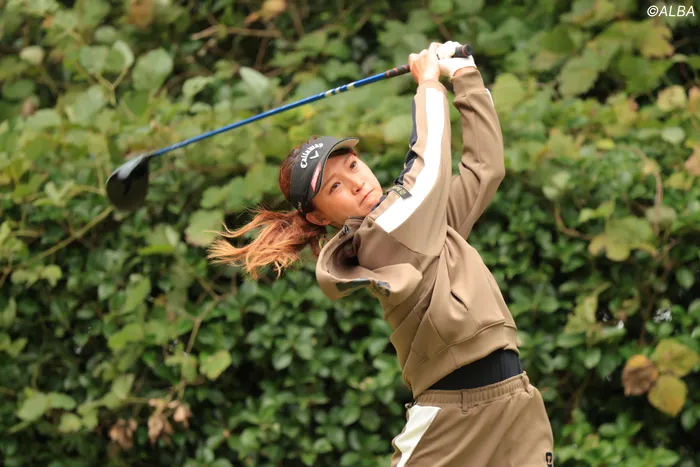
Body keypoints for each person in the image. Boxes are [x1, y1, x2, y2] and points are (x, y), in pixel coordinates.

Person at [208, 41, 554, 467]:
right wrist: (429, 84)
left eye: (352, 166)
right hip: (452, 415)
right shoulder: (381, 234)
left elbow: (486, 168)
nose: (356, 183)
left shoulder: (423, 221)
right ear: (319, 217)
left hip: (514, 399)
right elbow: (427, 170)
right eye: (335, 187)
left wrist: (466, 76)